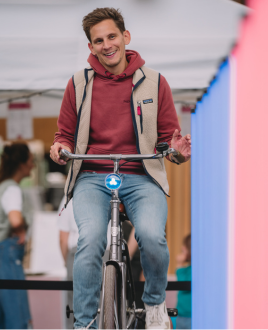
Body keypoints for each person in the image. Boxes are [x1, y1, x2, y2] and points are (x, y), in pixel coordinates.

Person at [50, 7, 191, 329]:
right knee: (90, 241)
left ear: (125, 37)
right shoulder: (78, 83)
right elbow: (64, 135)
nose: (106, 44)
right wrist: (60, 149)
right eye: (98, 40)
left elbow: (167, 144)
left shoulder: (154, 82)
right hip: (92, 176)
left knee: (153, 237)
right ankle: (83, 323)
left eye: (112, 36)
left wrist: (178, 154)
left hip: (142, 175)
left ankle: (154, 305)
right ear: (91, 47)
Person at [0, 143, 34, 329]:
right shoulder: (12, 188)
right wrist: (21, 230)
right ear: (21, 163)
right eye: (31, 160)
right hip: (8, 253)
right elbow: (15, 219)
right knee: (16, 311)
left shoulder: (2, 186)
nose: (33, 165)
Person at [58, 196, 78, 329]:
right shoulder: (112, 189)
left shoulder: (68, 197)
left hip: (76, 253)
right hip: (107, 252)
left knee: (73, 305)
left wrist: (67, 262)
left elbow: (63, 239)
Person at [175, 234, 192, 329]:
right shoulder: (188, 269)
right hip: (182, 315)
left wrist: (179, 264)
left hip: (188, 316)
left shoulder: (195, 270)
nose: (182, 249)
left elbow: (183, 284)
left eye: (185, 247)